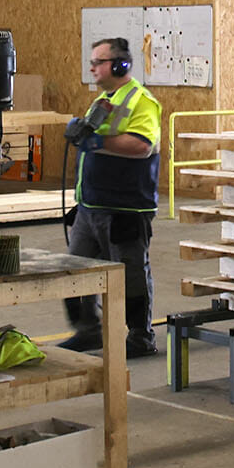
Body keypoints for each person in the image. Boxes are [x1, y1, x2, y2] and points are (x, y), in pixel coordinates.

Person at [65, 37, 162, 357]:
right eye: (92, 62)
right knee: (75, 270)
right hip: (91, 205)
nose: (92, 67)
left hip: (125, 208)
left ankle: (139, 337)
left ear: (120, 65)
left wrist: (94, 143)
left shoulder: (141, 100)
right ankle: (89, 330)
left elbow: (142, 145)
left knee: (130, 273)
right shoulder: (103, 101)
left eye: (99, 61)